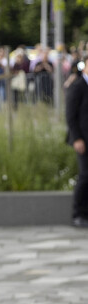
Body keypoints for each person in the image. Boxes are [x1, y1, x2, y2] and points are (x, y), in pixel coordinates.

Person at [65, 59, 88, 228]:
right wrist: (77, 138)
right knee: (85, 176)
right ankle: (78, 214)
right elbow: (70, 116)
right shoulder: (78, 86)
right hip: (83, 140)